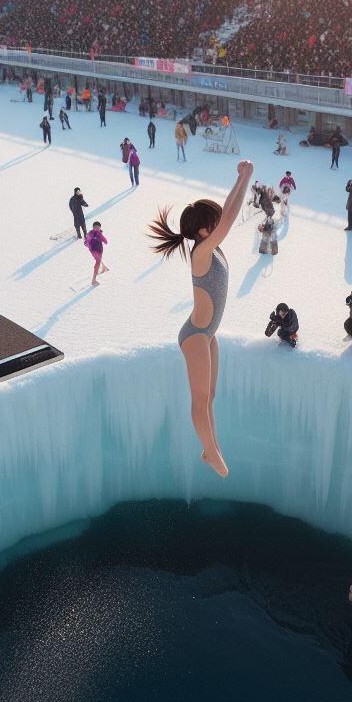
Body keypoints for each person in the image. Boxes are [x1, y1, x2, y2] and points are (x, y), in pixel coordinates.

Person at [149, 160, 253, 477]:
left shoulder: (211, 246)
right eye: (213, 224)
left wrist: (239, 179)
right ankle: (209, 452)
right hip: (195, 336)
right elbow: (228, 220)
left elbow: (225, 213)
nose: (219, 225)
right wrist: (246, 178)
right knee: (200, 400)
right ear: (202, 231)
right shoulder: (201, 253)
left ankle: (214, 448)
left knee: (211, 397)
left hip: (208, 334)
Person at [85, 221, 109, 286]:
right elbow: (106, 241)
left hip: (97, 250)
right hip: (95, 251)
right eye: (96, 227)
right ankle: (93, 280)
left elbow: (86, 243)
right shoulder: (96, 233)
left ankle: (103, 268)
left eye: (98, 228)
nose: (96, 229)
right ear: (93, 227)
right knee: (97, 262)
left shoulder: (91, 233)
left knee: (98, 261)